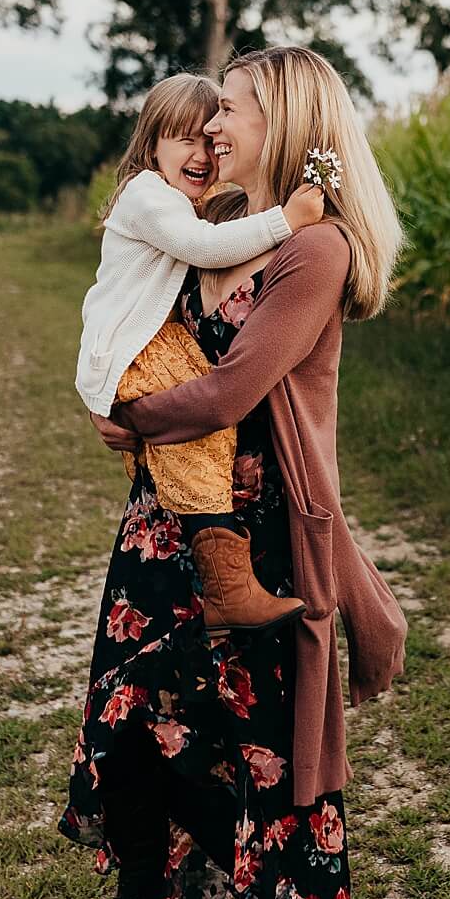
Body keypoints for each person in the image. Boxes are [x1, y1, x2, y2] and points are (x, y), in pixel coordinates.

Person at [63, 46, 407, 899]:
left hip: (255, 539)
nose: (214, 124)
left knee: (260, 750)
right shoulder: (212, 219)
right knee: (129, 719)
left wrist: (129, 417)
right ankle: (138, 895)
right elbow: (132, 309)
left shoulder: (315, 247)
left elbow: (230, 391)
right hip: (165, 516)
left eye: (234, 107)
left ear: (284, 121)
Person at [76, 72, 325, 631]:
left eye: (209, 140)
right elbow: (203, 250)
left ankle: (221, 575)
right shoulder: (148, 196)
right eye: (183, 139)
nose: (202, 151)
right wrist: (288, 219)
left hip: (149, 343)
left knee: (195, 443)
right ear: (150, 147)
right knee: (195, 440)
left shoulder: (203, 203)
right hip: (140, 345)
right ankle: (226, 585)